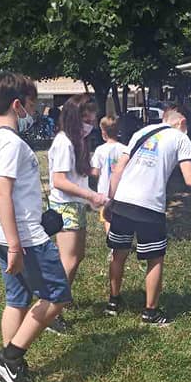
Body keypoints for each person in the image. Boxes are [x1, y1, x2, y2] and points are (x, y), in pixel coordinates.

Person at [0, 72, 72, 382]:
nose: (33, 113)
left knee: (17, 299)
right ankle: (10, 357)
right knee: (56, 296)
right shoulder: (10, 143)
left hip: (4, 231)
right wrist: (15, 245)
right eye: (32, 106)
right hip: (23, 236)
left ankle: (10, 371)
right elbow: (2, 192)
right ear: (17, 105)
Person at [105, 107, 191, 325]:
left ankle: (113, 301)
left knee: (118, 253)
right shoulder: (180, 138)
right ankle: (150, 312)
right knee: (155, 258)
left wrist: (111, 199)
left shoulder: (142, 132)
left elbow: (118, 169)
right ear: (182, 122)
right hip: (150, 205)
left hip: (123, 200)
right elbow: (190, 179)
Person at [47, 94, 107, 331]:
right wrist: (91, 196)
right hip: (65, 206)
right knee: (69, 260)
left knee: (76, 256)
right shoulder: (64, 142)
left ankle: (61, 298)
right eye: (85, 119)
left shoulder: (77, 141)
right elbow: (59, 181)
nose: (90, 123)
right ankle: (52, 311)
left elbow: (77, 175)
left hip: (75, 205)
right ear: (74, 117)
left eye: (92, 119)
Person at [90, 115, 128, 233]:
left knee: (107, 218)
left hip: (104, 191)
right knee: (121, 218)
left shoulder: (100, 150)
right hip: (121, 190)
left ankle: (110, 240)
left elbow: (95, 172)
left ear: (103, 132)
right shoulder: (125, 149)